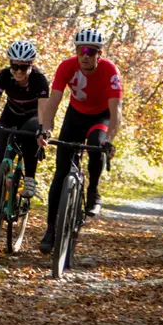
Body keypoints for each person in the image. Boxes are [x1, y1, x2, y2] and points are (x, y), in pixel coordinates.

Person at [37, 28, 122, 254]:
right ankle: (51, 228)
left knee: (96, 144)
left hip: (100, 117)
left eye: (91, 51)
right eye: (81, 50)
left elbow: (116, 110)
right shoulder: (66, 66)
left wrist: (110, 140)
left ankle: (93, 189)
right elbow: (54, 101)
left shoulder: (109, 71)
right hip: (74, 116)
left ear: (99, 54)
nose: (85, 55)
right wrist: (45, 130)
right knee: (61, 172)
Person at [0, 40, 49, 201]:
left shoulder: (39, 79)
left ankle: (29, 178)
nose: (18, 71)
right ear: (10, 65)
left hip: (33, 115)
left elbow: (43, 110)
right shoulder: (3, 76)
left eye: (23, 67)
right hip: (10, 114)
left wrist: (43, 130)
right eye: (15, 67)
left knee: (31, 132)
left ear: (31, 65)